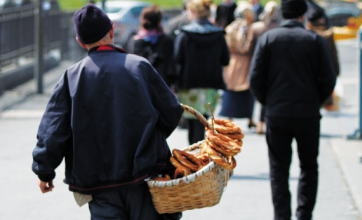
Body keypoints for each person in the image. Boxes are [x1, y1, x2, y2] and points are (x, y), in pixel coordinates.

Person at [31, 4, 183, 220]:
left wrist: (44, 170)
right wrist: (150, 140)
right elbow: (171, 111)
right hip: (147, 176)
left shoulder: (72, 77)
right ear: (112, 31)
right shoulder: (139, 66)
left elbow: (53, 129)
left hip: (98, 181)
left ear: (80, 42)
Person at [249, 0, 336, 219]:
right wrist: (315, 100)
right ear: (303, 14)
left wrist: (268, 101)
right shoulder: (314, 39)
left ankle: (282, 216)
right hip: (307, 112)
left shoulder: (268, 38)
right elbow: (328, 78)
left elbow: (255, 78)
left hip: (277, 112)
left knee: (278, 169)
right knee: (308, 166)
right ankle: (304, 214)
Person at [175, 0, 230, 145]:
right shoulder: (219, 34)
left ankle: (195, 155)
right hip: (211, 83)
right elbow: (226, 60)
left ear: (196, 13)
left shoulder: (185, 34)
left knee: (192, 122)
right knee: (206, 120)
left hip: (189, 83)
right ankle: (203, 154)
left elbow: (177, 58)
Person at [244, 1, 281, 134]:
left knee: (257, 92)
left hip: (257, 63)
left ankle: (258, 122)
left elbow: (249, 48)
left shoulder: (256, 27)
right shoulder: (279, 27)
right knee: (270, 94)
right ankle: (262, 122)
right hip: (275, 65)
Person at [219, 2, 257, 129]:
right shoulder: (249, 28)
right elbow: (249, 46)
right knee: (246, 90)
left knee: (231, 88)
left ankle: (230, 118)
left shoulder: (230, 27)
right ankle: (250, 118)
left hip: (232, 61)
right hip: (245, 61)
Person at [133, 5, 176, 87]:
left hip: (142, 84)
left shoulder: (136, 41)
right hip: (162, 85)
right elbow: (171, 66)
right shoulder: (166, 40)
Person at [306, 8, 340, 110]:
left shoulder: (306, 35)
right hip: (325, 75)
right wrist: (337, 72)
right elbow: (334, 56)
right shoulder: (328, 35)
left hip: (309, 77)